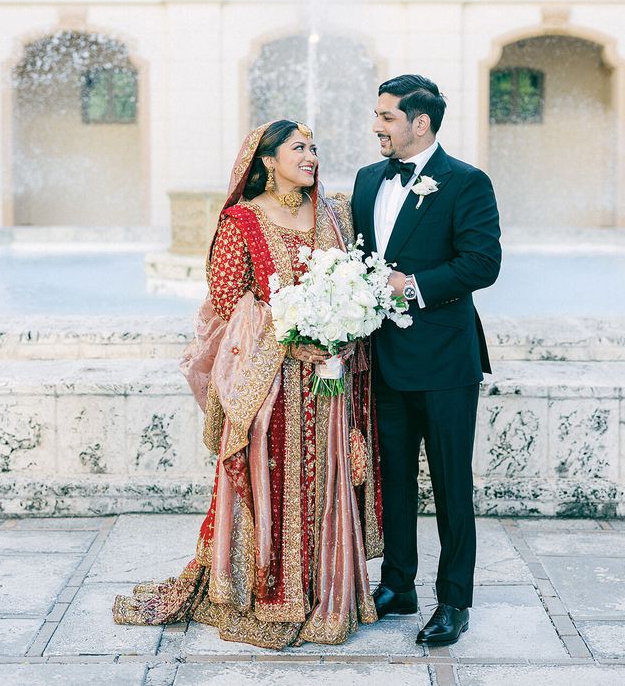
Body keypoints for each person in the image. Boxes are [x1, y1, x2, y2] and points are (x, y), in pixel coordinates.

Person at [113, 120, 383, 649]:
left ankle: (326, 594)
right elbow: (226, 301)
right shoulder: (242, 220)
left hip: (329, 379)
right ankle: (269, 596)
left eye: (313, 148)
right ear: (267, 160)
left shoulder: (335, 213)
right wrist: (291, 331)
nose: (310, 156)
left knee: (328, 478)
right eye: (298, 148)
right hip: (270, 381)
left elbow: (352, 282)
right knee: (270, 480)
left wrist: (340, 326)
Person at [351, 75, 501, 646]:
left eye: (387, 117)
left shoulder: (466, 182)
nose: (377, 126)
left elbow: (482, 263)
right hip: (383, 358)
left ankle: (454, 602)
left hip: (444, 362)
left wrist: (411, 286)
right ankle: (398, 586)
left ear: (420, 123)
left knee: (450, 484)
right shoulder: (368, 179)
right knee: (392, 478)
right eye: (377, 115)